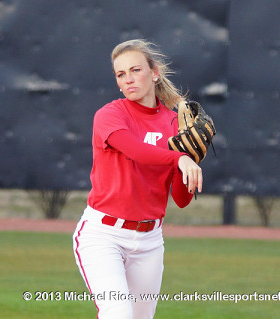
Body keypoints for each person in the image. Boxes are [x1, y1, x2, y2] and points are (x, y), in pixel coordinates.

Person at [72, 39, 202, 319]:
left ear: (154, 73)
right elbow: (136, 150)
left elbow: (180, 199)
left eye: (135, 70)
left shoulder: (174, 123)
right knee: (117, 312)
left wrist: (190, 158)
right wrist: (178, 157)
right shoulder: (110, 114)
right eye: (121, 74)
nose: (128, 79)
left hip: (150, 240)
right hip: (103, 235)